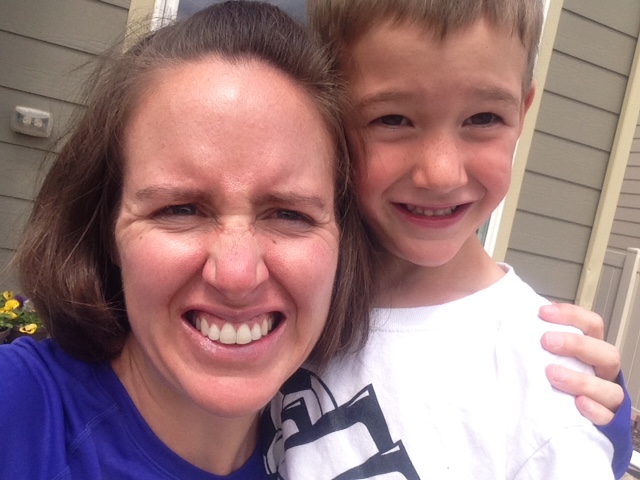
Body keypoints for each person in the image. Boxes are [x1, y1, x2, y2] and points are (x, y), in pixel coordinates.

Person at [0, 2, 375, 478]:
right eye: (180, 209)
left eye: (289, 214)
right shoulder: (18, 411)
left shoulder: (343, 458)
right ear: (108, 229)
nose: (237, 275)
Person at [262, 0, 631, 478]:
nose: (440, 173)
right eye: (393, 120)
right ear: (330, 116)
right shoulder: (277, 291)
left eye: (483, 119)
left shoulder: (542, 384)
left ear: (522, 112)